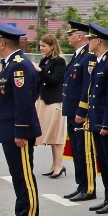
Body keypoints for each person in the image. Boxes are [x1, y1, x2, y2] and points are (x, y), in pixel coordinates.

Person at [0, 22, 42, 216]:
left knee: (23, 176)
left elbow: (24, 102)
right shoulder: (12, 64)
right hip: (9, 128)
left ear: (2, 43)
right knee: (17, 175)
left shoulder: (19, 65)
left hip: (17, 130)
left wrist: (20, 131)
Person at [83, 24, 108, 214]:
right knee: (104, 162)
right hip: (97, 120)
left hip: (106, 122)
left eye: (89, 39)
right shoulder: (99, 62)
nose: (87, 43)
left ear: (98, 41)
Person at [60, 22, 96, 201]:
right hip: (72, 110)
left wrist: (82, 109)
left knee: (83, 150)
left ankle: (88, 187)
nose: (68, 37)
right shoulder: (78, 56)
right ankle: (81, 184)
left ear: (80, 36)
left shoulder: (88, 57)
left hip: (80, 112)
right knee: (76, 149)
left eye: (71, 34)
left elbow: (87, 86)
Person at [34, 33, 68, 178]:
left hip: (54, 100)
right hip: (43, 99)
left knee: (56, 133)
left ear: (52, 46)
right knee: (48, 134)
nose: (41, 48)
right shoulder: (44, 60)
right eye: (40, 46)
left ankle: (59, 164)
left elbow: (55, 81)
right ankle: (54, 164)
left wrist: (40, 71)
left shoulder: (59, 61)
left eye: (44, 46)